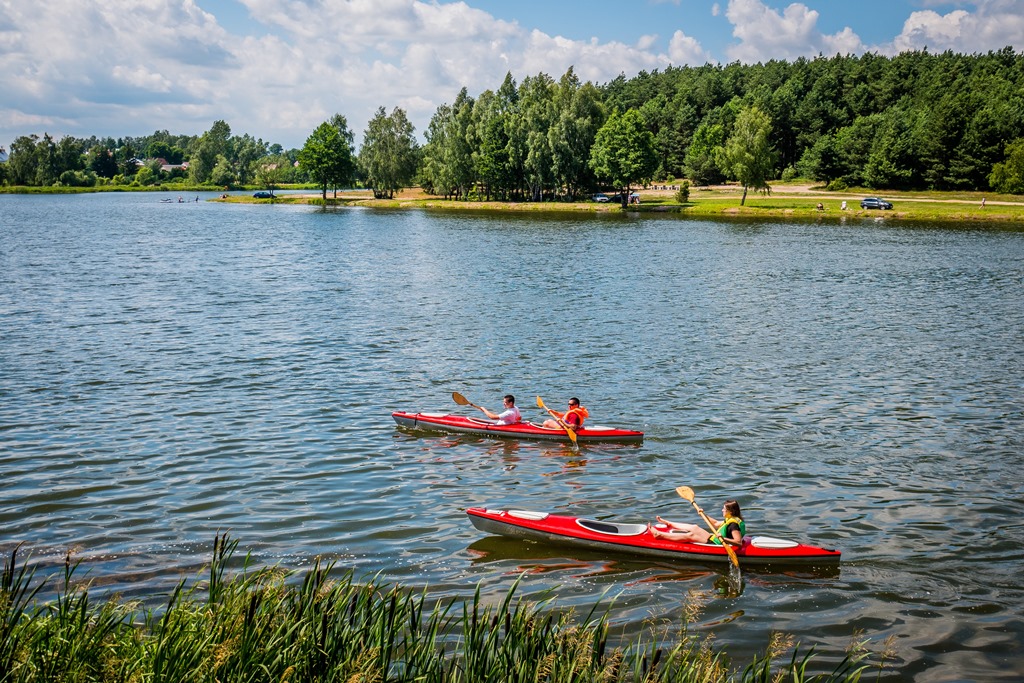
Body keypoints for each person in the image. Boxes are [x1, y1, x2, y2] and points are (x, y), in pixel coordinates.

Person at [650, 499, 745, 546]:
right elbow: (715, 523)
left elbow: (738, 542)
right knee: (694, 527)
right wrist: (703, 514)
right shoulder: (732, 519)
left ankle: (659, 535)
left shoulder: (733, 525)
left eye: (724, 509)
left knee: (691, 535)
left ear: (730, 512)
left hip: (717, 544)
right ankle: (669, 523)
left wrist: (722, 538)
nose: (722, 510)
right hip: (714, 539)